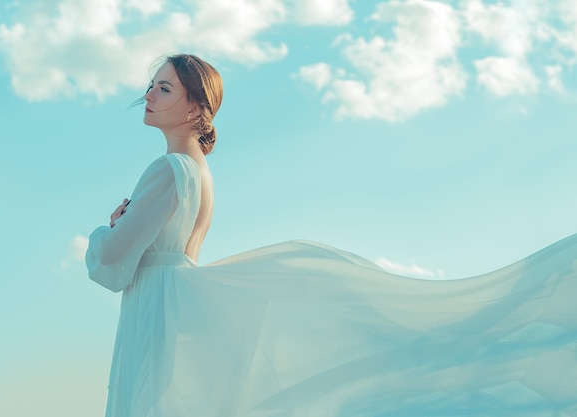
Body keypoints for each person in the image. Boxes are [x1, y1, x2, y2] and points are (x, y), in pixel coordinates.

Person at [86, 54, 577, 417]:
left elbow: (112, 265)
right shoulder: (200, 174)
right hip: (174, 311)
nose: (148, 94)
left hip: (154, 315)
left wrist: (105, 232)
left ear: (197, 108)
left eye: (165, 88)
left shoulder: (167, 169)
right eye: (152, 85)